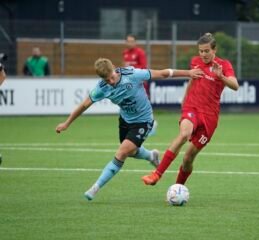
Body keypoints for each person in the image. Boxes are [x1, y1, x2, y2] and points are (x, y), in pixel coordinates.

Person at [55, 58, 203, 201]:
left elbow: (163, 73)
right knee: (131, 151)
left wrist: (188, 73)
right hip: (125, 121)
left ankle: (95, 188)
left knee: (122, 152)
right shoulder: (101, 88)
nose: (111, 82)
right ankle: (151, 156)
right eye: (107, 80)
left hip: (144, 121)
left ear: (114, 68)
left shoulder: (132, 75)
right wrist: (67, 123)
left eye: (112, 77)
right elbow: (84, 105)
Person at [141, 33, 239, 186]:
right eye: (201, 51)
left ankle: (178, 188)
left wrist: (221, 77)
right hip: (192, 107)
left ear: (214, 50)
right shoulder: (195, 62)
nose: (203, 54)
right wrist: (185, 98)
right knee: (184, 133)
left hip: (210, 117)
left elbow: (235, 85)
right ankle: (157, 174)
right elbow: (193, 80)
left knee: (188, 159)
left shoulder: (223, 65)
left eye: (206, 51)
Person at [123, 34, 158, 136]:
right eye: (128, 41)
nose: (130, 43)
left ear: (135, 42)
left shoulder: (140, 53)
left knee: (143, 104)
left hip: (139, 83)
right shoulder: (125, 53)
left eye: (132, 41)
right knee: (134, 105)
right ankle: (144, 123)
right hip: (129, 84)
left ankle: (151, 122)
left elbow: (143, 67)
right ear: (125, 42)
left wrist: (130, 67)